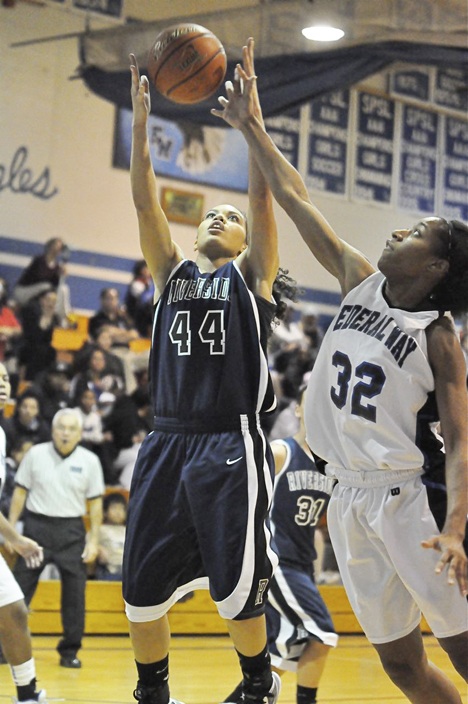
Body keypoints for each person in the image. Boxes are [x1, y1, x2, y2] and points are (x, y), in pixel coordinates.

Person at [212, 50, 468, 703]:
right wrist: (251, 124)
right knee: (402, 667)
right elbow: (295, 197)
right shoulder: (361, 281)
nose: (398, 230)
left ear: (437, 267)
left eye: (417, 232)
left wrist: (458, 528)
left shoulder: (437, 336)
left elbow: (462, 442)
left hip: (410, 502)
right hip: (347, 498)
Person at [123, 41, 282, 704]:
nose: (224, 215)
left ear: (246, 243)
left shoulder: (251, 280)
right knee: (140, 588)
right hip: (165, 438)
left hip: (228, 440)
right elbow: (146, 207)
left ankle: (257, 683)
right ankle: (152, 690)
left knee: (237, 589)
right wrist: (139, 125)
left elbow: (264, 201)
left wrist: (254, 125)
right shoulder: (172, 277)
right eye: (213, 214)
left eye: (234, 218)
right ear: (194, 238)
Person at [224, 385, 338, 704]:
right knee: (323, 632)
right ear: (298, 410)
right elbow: (239, 494)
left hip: (301, 564)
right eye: (311, 403)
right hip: (277, 561)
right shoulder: (280, 452)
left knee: (288, 648)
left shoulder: (332, 466)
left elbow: (314, 525)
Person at [8, 408, 105, 669]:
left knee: (75, 597)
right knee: (16, 593)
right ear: (52, 430)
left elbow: (95, 504)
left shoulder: (90, 461)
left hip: (72, 531)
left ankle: (69, 651)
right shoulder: (36, 454)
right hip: (35, 529)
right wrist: (12, 535)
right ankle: (4, 647)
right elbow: (19, 493)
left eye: (71, 428)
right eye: (60, 427)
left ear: (79, 433)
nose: (65, 432)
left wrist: (93, 540)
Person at [0, 361, 48, 703]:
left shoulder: (2, 432)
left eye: (4, 378)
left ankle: (27, 694)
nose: (3, 384)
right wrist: (14, 538)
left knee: (14, 609)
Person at [13, 237, 71, 323]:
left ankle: (64, 317)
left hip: (41, 293)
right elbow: (39, 277)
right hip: (23, 291)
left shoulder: (56, 266)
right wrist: (56, 273)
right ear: (50, 246)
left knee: (64, 289)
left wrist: (60, 275)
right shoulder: (39, 260)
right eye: (58, 244)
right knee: (46, 286)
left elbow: (55, 286)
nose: (60, 247)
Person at [94, 491, 127, 581]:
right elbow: (89, 544)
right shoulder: (100, 529)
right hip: (109, 571)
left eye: (122, 509)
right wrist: (98, 548)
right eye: (114, 508)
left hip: (128, 571)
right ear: (104, 512)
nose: (118, 512)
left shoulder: (128, 531)